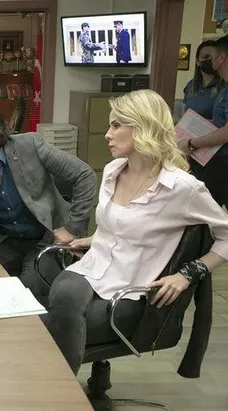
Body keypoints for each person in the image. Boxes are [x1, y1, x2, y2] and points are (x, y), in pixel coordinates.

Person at [43, 89, 228, 375]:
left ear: (144, 127)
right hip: (89, 269)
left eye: (116, 125)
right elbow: (122, 224)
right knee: (58, 308)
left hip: (131, 292)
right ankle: (57, 390)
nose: (107, 134)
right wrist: (96, 239)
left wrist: (188, 274)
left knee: (50, 331)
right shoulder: (113, 170)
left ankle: (57, 392)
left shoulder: (182, 188)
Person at [0, 102, 96, 302]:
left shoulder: (29, 145)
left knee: (27, 293)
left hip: (45, 240)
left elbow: (85, 175)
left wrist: (72, 228)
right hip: (4, 243)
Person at [177, 35, 228, 207]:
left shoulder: (222, 87)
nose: (210, 62)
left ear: (221, 58)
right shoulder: (194, 86)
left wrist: (191, 143)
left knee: (206, 208)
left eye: (211, 57)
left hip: (221, 158)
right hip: (208, 158)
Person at [182, 40, 223, 120]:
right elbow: (183, 112)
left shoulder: (224, 86)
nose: (210, 60)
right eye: (206, 57)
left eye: (213, 57)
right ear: (197, 61)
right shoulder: (191, 85)